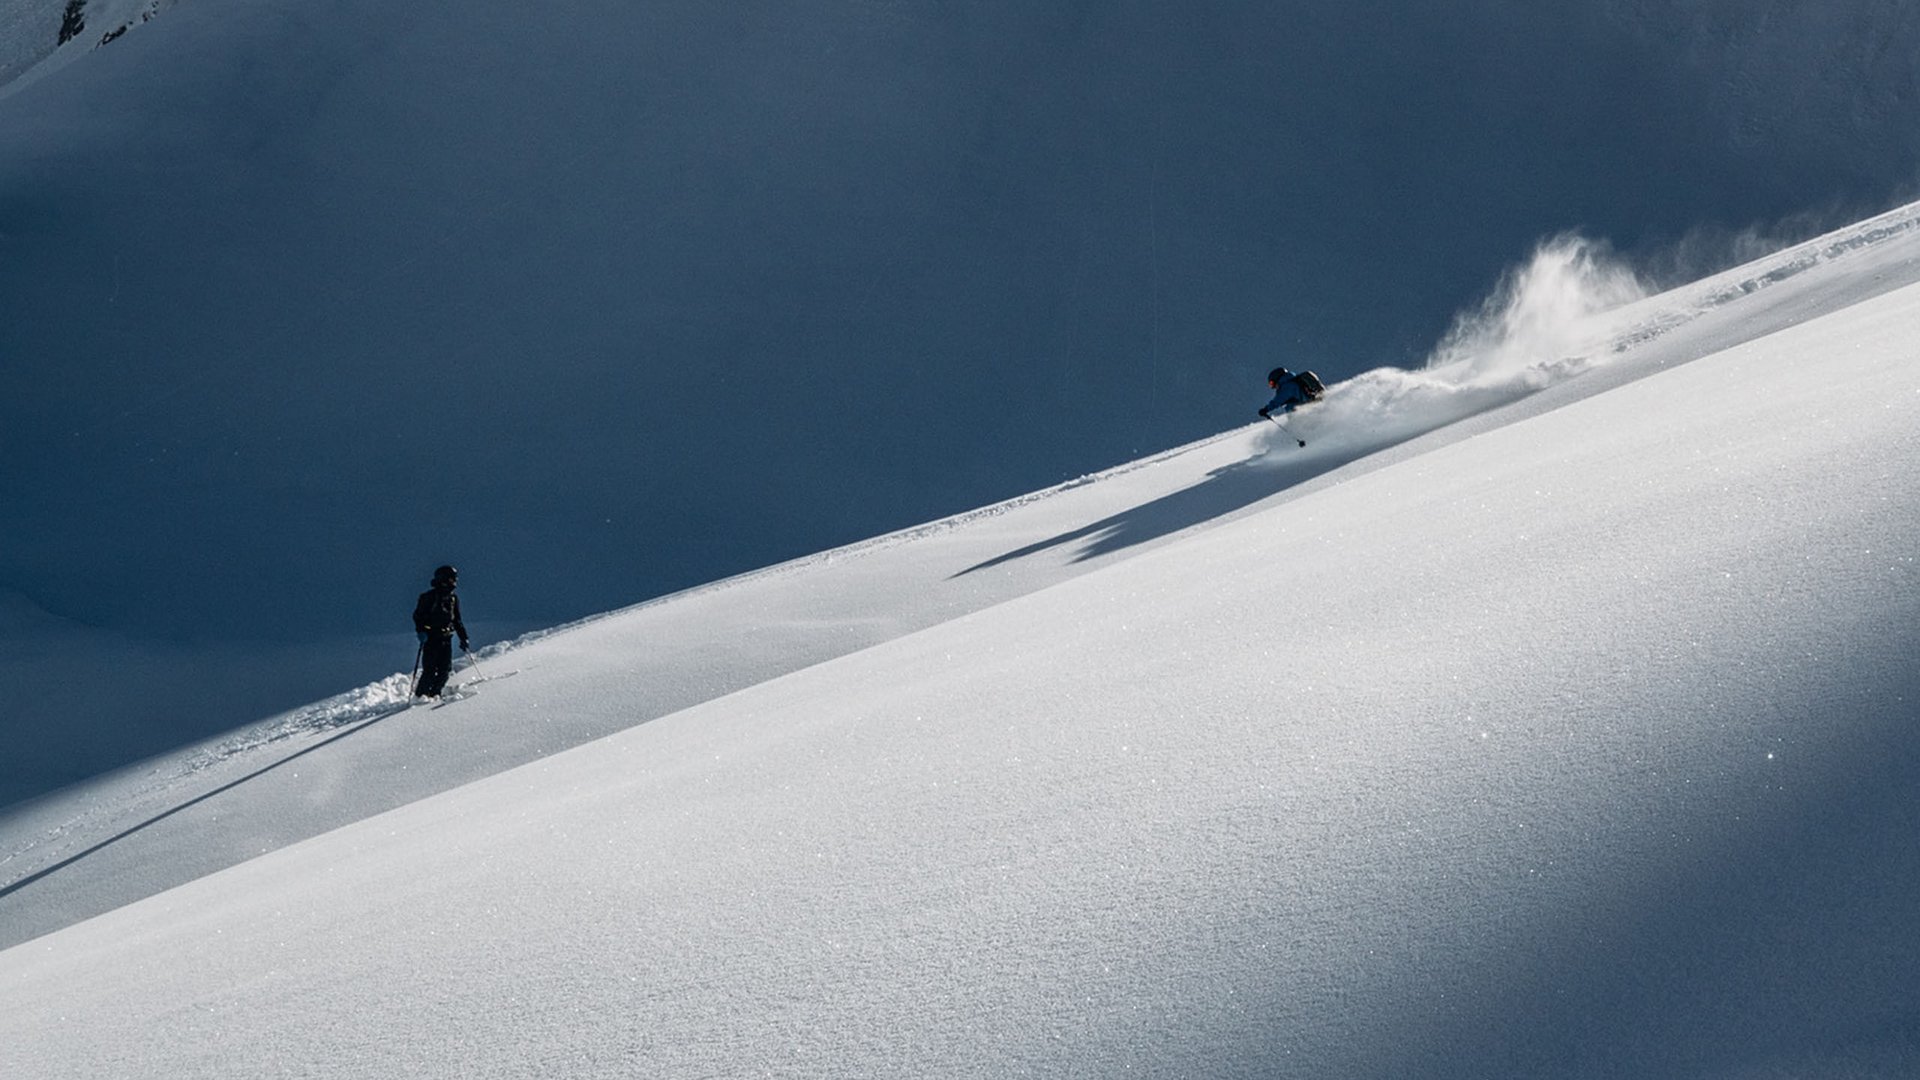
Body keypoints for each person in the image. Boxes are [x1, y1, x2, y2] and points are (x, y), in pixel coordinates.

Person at [412, 564, 469, 698]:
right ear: (442, 579)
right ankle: (420, 697)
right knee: (430, 670)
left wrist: (463, 638)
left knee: (445, 670)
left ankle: (434, 694)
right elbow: (418, 616)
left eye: (454, 579)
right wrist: (421, 631)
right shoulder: (428, 597)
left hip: (446, 638)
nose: (454, 582)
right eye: (451, 579)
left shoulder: (453, 598)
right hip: (431, 638)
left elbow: (457, 620)